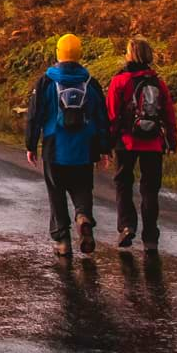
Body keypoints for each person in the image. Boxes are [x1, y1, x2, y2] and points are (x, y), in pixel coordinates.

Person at [24, 33, 111, 256]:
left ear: (58, 53)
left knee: (56, 192)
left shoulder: (46, 82)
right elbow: (102, 117)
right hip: (84, 147)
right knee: (83, 188)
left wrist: (31, 145)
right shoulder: (90, 83)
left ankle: (62, 239)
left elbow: (35, 116)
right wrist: (104, 149)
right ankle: (83, 216)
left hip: (55, 146)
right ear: (79, 54)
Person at [107, 36, 177, 249]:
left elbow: (111, 114)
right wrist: (172, 141)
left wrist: (107, 143)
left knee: (123, 185)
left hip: (126, 141)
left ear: (130, 54)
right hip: (153, 142)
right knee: (150, 190)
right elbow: (169, 115)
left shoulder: (119, 81)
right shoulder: (158, 82)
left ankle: (127, 226)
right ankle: (150, 238)